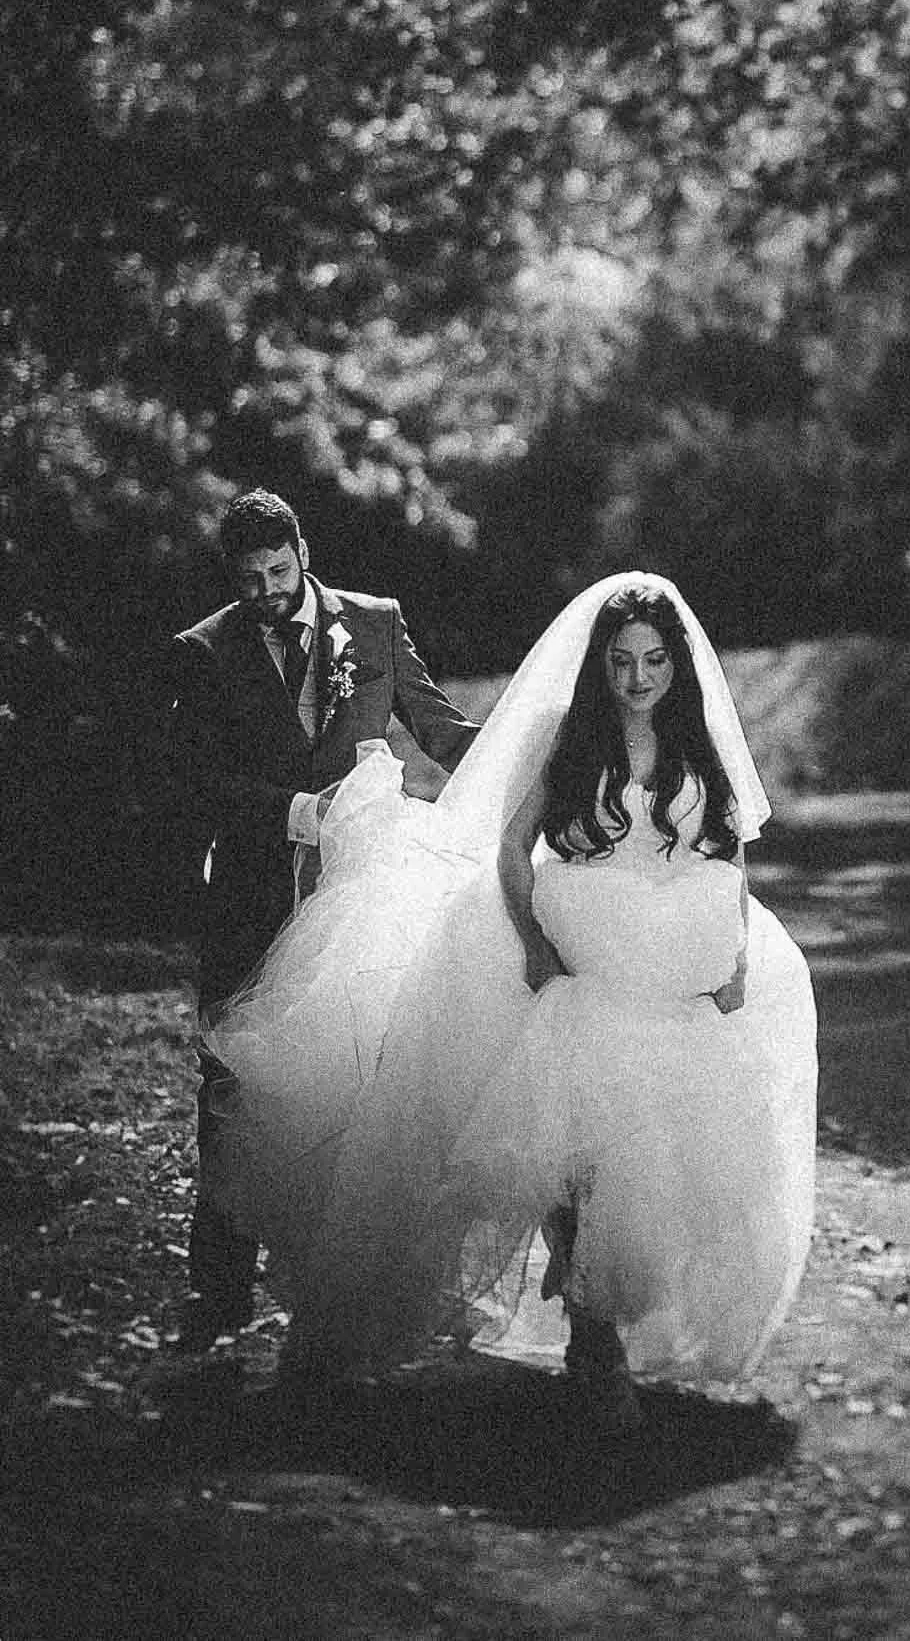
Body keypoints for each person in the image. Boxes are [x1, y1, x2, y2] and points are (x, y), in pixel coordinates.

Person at [203, 572, 817, 1432]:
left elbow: (728, 848)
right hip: (580, 957)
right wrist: (534, 946)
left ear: (675, 664)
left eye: (653, 660)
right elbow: (512, 849)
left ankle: (608, 1316)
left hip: (675, 966)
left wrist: (738, 952)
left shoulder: (696, 744)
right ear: (599, 665)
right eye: (621, 661)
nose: (638, 678)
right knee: (569, 1141)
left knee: (654, 1146)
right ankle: (592, 1344)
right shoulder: (572, 740)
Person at [169, 488, 481, 1350]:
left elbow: (436, 723)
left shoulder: (373, 623)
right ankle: (220, 1289)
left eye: (278, 572)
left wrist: (528, 754)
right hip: (251, 896)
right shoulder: (203, 651)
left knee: (363, 1074)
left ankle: (340, 1286)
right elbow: (198, 783)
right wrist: (299, 811)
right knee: (231, 1079)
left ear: (301, 554)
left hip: (358, 896)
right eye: (250, 581)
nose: (267, 592)